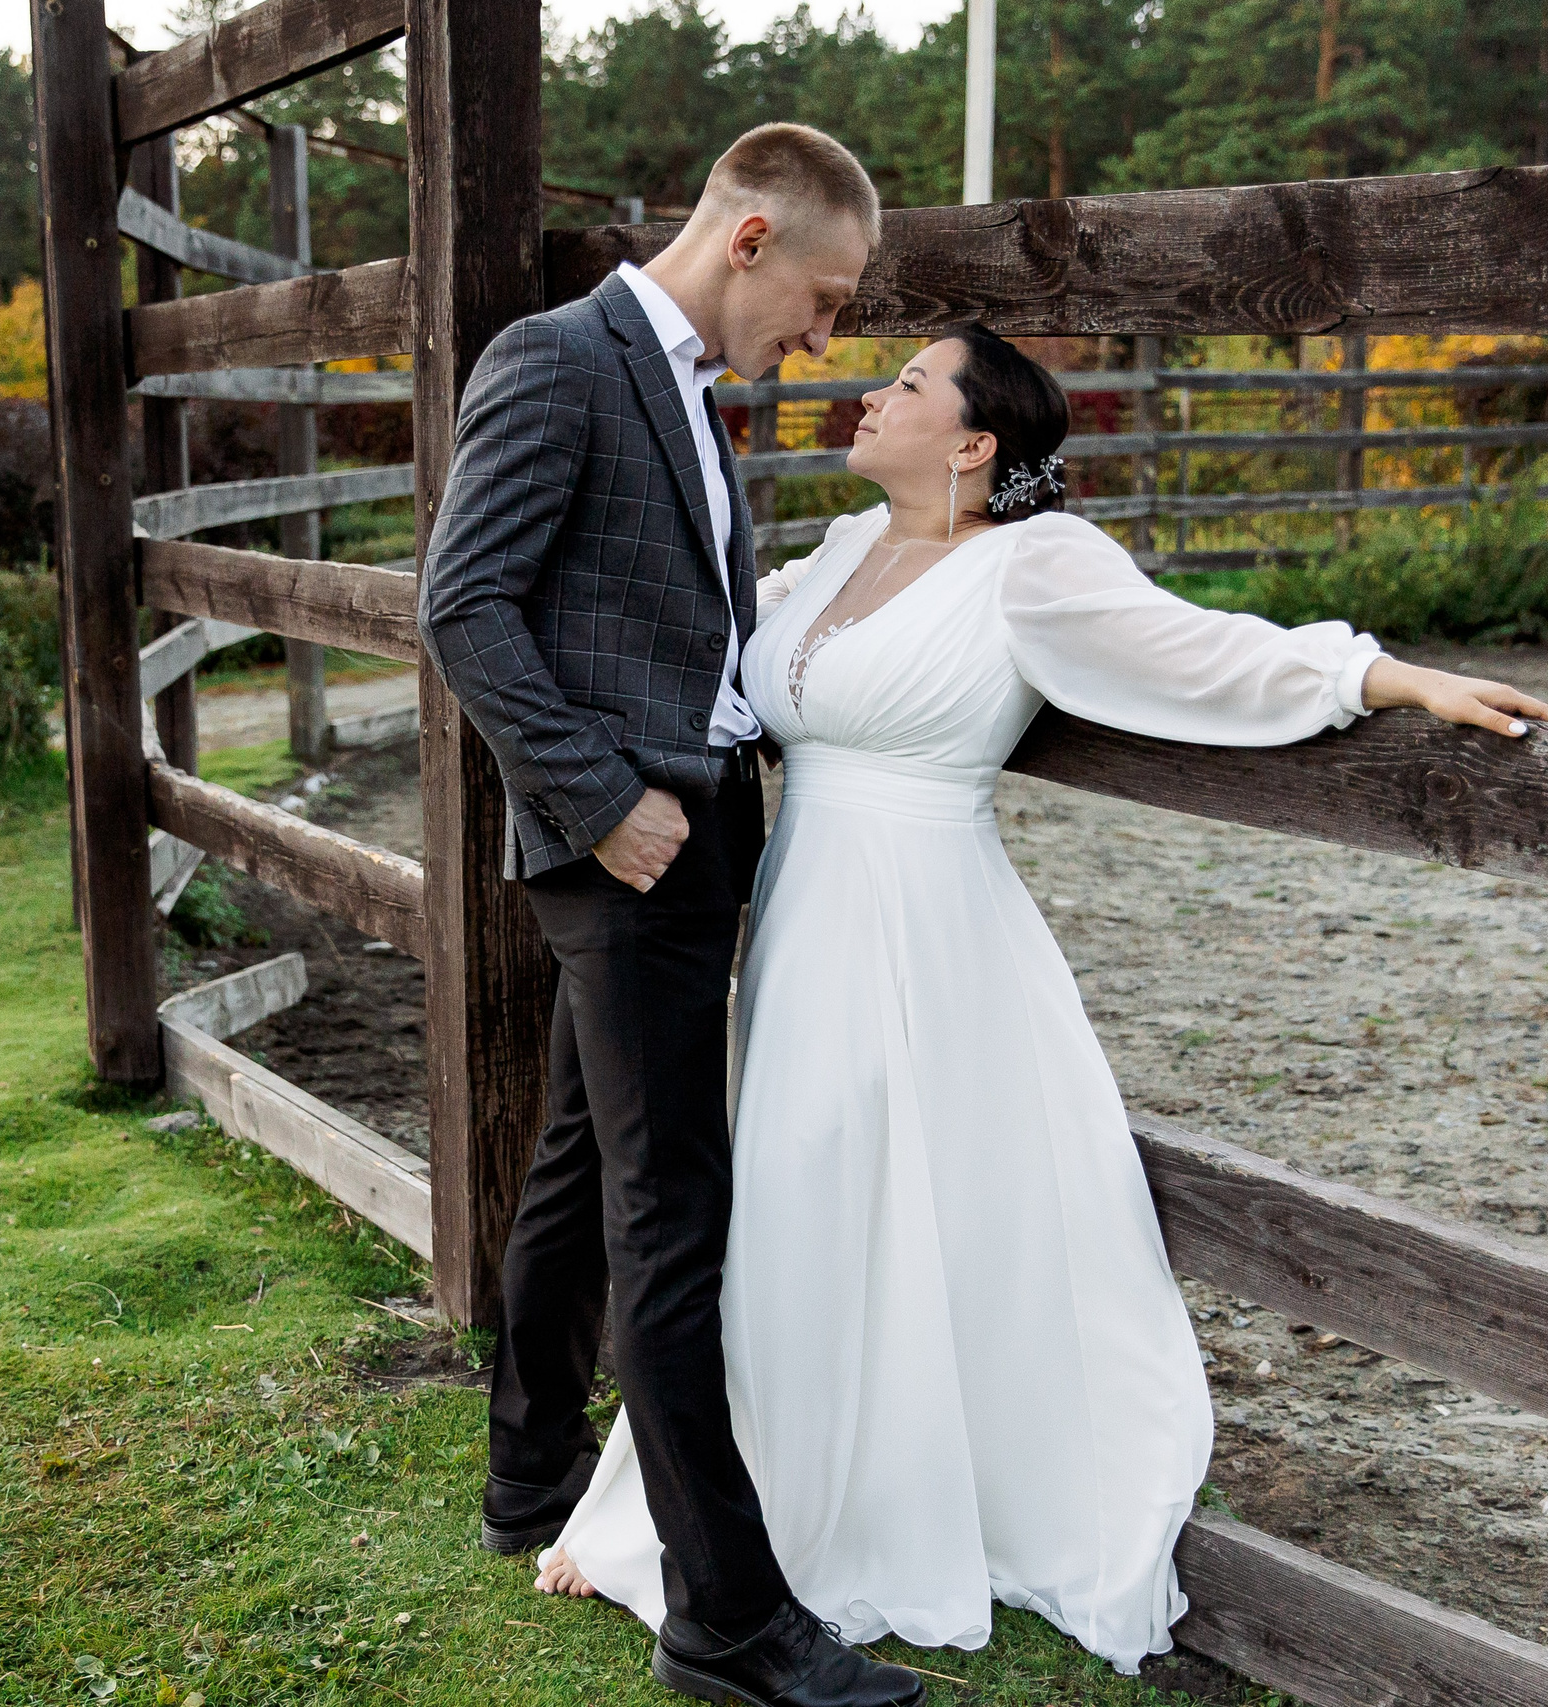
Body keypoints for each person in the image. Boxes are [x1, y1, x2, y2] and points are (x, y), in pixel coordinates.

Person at [525, 323, 1548, 1676]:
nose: (869, 394)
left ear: (973, 442)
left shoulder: (1037, 561)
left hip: (928, 920)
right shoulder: (841, 550)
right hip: (805, 917)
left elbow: (1196, 651)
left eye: (904, 385)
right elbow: (707, 644)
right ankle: (695, 1514)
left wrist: (1377, 674)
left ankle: (877, 1506)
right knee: (786, 1199)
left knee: (887, 1194)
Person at [420, 124, 931, 1707]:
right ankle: (726, 1617)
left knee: (584, 1162)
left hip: (695, 825)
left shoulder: (692, 391)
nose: (831, 339)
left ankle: (525, 1478)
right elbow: (462, 604)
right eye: (830, 297)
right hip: (628, 842)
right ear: (754, 238)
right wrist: (603, 801)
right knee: (672, 1212)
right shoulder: (560, 359)